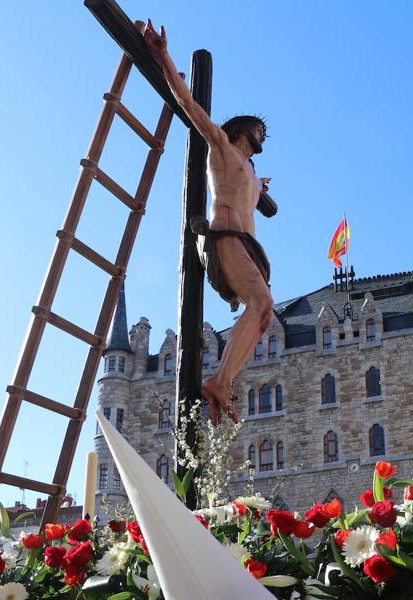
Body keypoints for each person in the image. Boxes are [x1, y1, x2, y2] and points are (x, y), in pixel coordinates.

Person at [145, 20, 274, 424]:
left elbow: (256, 193)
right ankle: (219, 380)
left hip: (248, 244)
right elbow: (187, 103)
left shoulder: (251, 173)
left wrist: (258, 184)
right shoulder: (220, 145)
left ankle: (224, 380)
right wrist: (163, 55)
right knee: (262, 303)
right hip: (222, 235)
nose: (262, 136)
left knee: (265, 313)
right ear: (241, 130)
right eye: (258, 130)